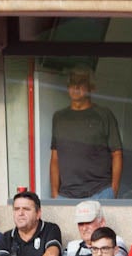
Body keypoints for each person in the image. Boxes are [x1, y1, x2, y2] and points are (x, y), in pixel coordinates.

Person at [49, 68, 123, 199]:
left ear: (91, 88)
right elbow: (55, 158)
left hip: (99, 192)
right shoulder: (59, 117)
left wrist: (113, 190)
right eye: (72, 83)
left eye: (81, 83)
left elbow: (117, 154)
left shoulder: (104, 115)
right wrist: (55, 194)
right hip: (65, 195)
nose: (76, 87)